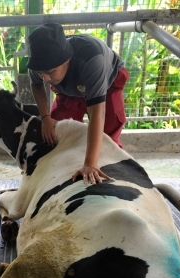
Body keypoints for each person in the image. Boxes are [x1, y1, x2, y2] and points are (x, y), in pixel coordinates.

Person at [27, 23, 130, 185]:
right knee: (55, 133)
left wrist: (90, 164)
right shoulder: (40, 63)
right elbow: (36, 84)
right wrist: (45, 117)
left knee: (106, 140)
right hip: (69, 87)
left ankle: (111, 178)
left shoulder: (92, 59)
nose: (45, 78)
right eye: (41, 73)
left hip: (107, 84)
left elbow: (97, 113)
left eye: (50, 72)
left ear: (67, 59)